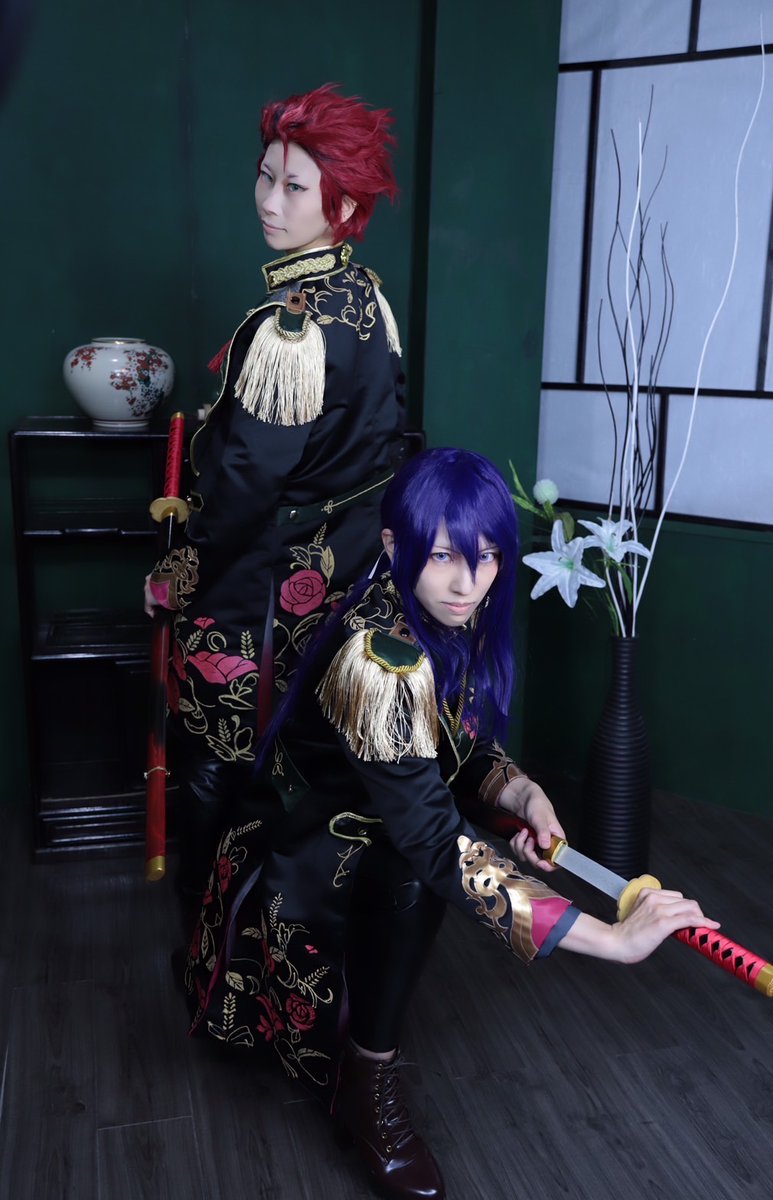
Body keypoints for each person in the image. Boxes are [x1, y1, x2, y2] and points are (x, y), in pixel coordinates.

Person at [183, 447, 718, 1200]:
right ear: (395, 544)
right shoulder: (380, 660)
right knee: (415, 870)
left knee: (418, 853)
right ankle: (366, 1083)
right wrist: (611, 940)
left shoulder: (439, 609)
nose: (469, 583)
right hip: (301, 852)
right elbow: (435, 840)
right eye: (443, 556)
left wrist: (519, 792)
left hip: (383, 820)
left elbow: (455, 742)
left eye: (488, 555)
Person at [143, 84, 405, 927]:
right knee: (299, 769)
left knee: (215, 761)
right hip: (341, 583)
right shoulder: (366, 297)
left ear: (345, 204)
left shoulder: (287, 328)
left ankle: (204, 931)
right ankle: (268, 924)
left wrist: (178, 577)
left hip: (256, 593)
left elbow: (242, 492)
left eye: (294, 186)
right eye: (265, 176)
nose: (268, 199)